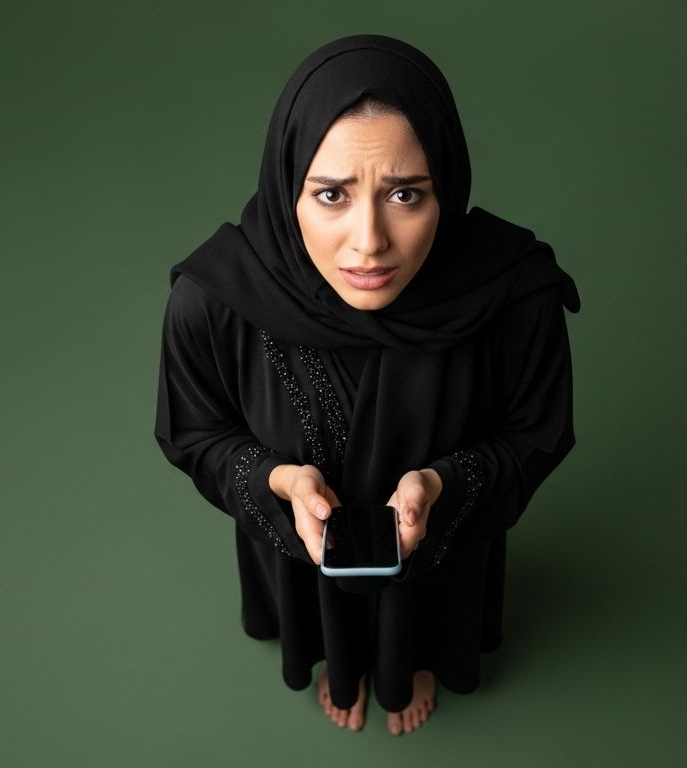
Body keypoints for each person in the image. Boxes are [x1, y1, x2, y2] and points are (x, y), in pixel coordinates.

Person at [154, 34, 579, 735]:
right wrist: (277, 482)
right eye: (331, 195)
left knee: (432, 612)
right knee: (319, 617)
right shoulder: (216, 301)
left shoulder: (512, 297)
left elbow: (536, 433)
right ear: (288, 188)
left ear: (447, 185)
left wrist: (443, 486)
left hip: (447, 560)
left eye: (405, 194)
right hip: (299, 572)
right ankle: (338, 658)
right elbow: (195, 432)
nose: (369, 241)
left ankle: (415, 661)